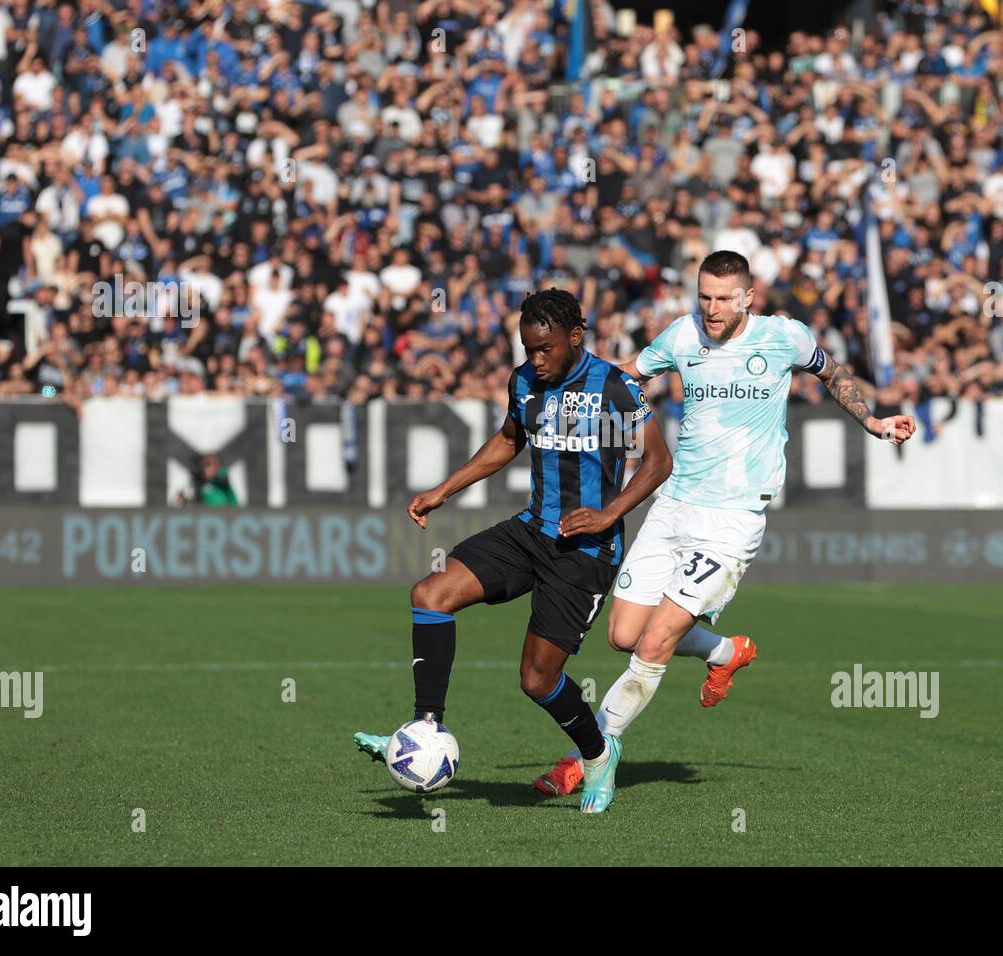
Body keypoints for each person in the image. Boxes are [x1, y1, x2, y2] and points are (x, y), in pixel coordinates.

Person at [533, 251, 916, 808]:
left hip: (732, 519)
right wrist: (564, 389)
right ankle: (722, 652)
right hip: (673, 506)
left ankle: (592, 755)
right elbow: (623, 377)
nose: (712, 309)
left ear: (747, 298)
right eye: (704, 296)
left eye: (723, 298)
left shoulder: (783, 337)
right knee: (622, 635)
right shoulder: (682, 336)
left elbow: (831, 372)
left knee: (656, 640)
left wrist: (875, 420)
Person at [352, 289, 672, 813]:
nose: (536, 360)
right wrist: (443, 490)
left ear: (575, 338)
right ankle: (425, 729)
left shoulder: (613, 386)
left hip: (585, 552)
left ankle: (597, 753)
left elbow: (658, 461)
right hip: (530, 532)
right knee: (430, 594)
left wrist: (610, 514)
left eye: (545, 349)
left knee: (536, 679)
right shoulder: (524, 382)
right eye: (528, 349)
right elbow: (508, 440)